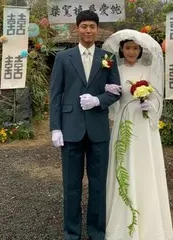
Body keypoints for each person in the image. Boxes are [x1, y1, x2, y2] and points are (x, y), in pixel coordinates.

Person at [49, 10, 121, 240]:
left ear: (97, 29)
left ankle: (97, 231)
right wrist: (55, 127)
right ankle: (71, 233)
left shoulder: (108, 57)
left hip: (98, 129)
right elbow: (56, 94)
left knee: (98, 185)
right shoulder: (63, 57)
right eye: (84, 26)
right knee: (71, 185)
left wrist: (98, 100)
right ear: (76, 28)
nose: (88, 30)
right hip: (70, 129)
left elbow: (116, 90)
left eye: (92, 26)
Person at [102, 29, 173, 240]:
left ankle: (149, 222)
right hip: (123, 122)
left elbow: (157, 98)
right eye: (127, 48)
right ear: (121, 49)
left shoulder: (148, 69)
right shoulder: (116, 70)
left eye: (135, 48)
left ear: (140, 50)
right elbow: (113, 96)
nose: (131, 52)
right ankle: (120, 222)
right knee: (123, 165)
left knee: (145, 167)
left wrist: (149, 106)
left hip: (143, 125)